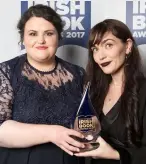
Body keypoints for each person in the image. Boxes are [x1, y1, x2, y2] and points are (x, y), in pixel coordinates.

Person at [0, 4, 86, 164]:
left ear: (58, 37)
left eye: (49, 33)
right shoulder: (6, 71)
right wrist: (53, 133)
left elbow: (87, 121)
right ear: (23, 38)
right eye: (33, 34)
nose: (41, 40)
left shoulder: (78, 73)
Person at [74, 19, 146, 164]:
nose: (100, 56)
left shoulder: (143, 91)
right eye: (95, 49)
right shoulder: (92, 91)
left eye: (108, 45)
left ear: (128, 46)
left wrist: (115, 154)